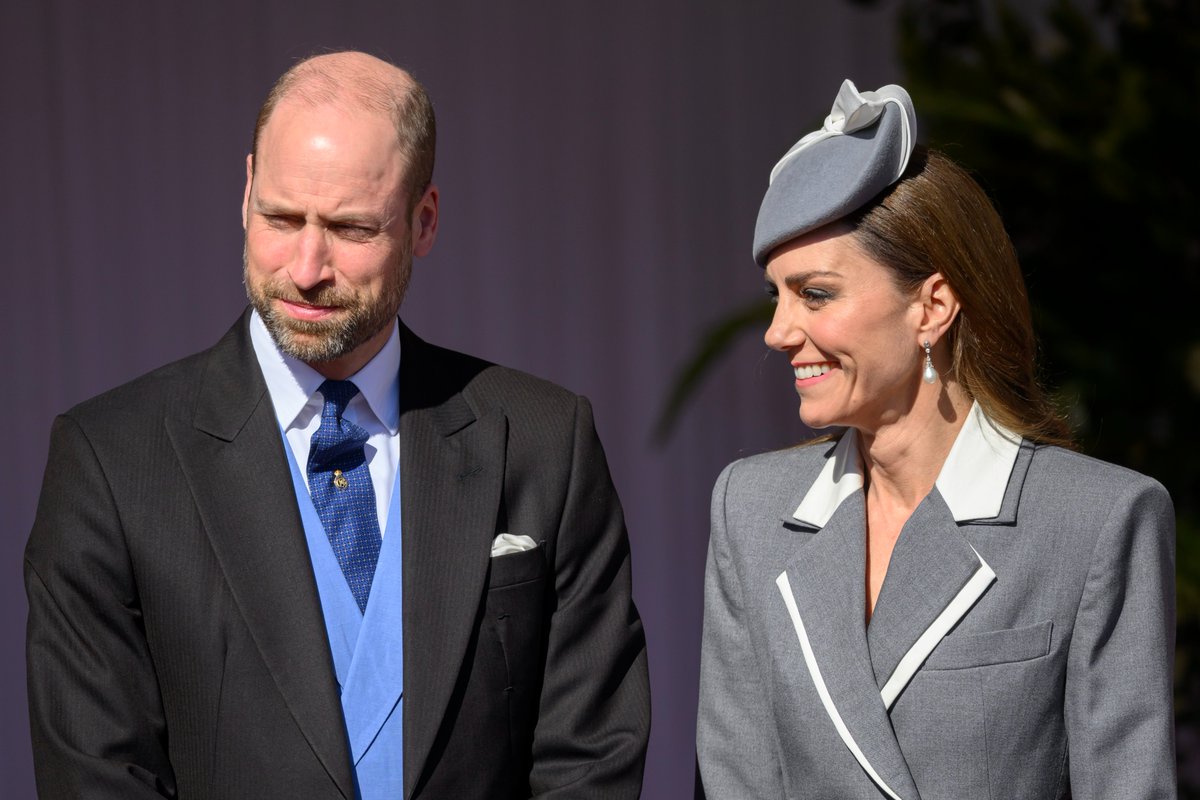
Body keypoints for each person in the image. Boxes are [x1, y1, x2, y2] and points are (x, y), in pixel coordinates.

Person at [25, 51, 649, 800]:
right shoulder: (111, 461)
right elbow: (97, 775)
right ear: (246, 188)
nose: (308, 265)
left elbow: (590, 758)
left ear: (424, 222)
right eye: (282, 218)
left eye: (351, 228)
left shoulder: (545, 441)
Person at [695, 80, 1176, 799]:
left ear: (933, 307)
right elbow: (736, 777)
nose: (777, 332)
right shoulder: (751, 510)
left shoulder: (1098, 520)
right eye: (778, 295)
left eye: (815, 294)